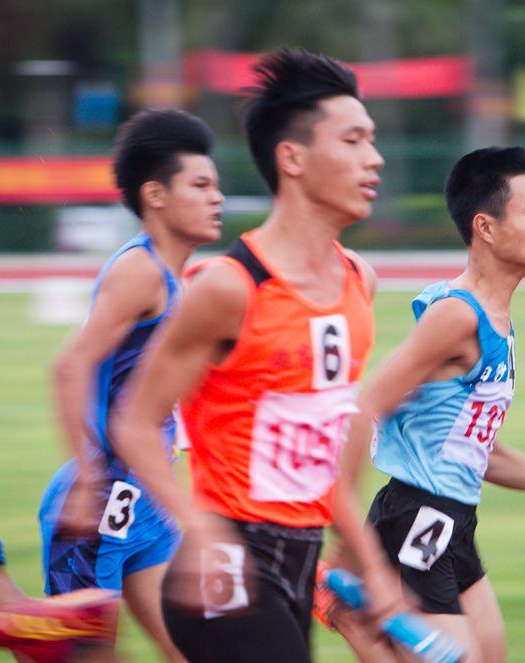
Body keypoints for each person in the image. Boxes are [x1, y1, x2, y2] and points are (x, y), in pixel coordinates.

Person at [0, 108, 224, 663]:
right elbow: (69, 366)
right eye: (201, 185)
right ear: (156, 195)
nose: (217, 198)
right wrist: (88, 479)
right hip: (102, 502)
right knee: (76, 659)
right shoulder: (139, 273)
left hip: (145, 502)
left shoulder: (173, 278)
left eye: (216, 186)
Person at [110, 48, 397, 663]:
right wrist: (199, 527)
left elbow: (322, 453)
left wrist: (369, 560)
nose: (374, 158)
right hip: (226, 569)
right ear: (292, 158)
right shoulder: (229, 288)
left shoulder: (358, 283)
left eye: (371, 140)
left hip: (300, 561)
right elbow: (134, 421)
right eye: (352, 141)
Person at [325, 146, 525, 663]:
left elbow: (471, 448)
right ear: (486, 228)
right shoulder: (456, 316)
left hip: (455, 522)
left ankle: (352, 614)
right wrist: (346, 529)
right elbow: (367, 407)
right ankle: (349, 616)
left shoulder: (496, 321)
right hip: (418, 517)